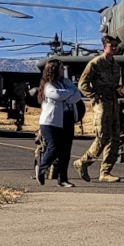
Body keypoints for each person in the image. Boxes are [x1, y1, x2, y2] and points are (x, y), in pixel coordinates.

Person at [74, 35, 123, 183]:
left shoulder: (116, 66)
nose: (114, 48)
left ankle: (106, 172)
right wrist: (95, 96)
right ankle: (83, 162)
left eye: (115, 45)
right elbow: (82, 84)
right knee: (102, 137)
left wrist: (120, 90)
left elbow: (114, 84)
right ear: (104, 46)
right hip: (101, 105)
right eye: (111, 45)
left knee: (115, 138)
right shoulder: (95, 63)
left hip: (113, 103)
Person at [36, 59, 81, 187]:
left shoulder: (66, 82)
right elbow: (56, 94)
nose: (63, 70)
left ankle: (63, 179)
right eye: (61, 68)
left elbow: (77, 94)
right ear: (54, 69)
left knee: (65, 151)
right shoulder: (48, 85)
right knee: (53, 148)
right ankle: (42, 168)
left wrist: (67, 96)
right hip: (50, 121)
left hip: (67, 119)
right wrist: (69, 95)